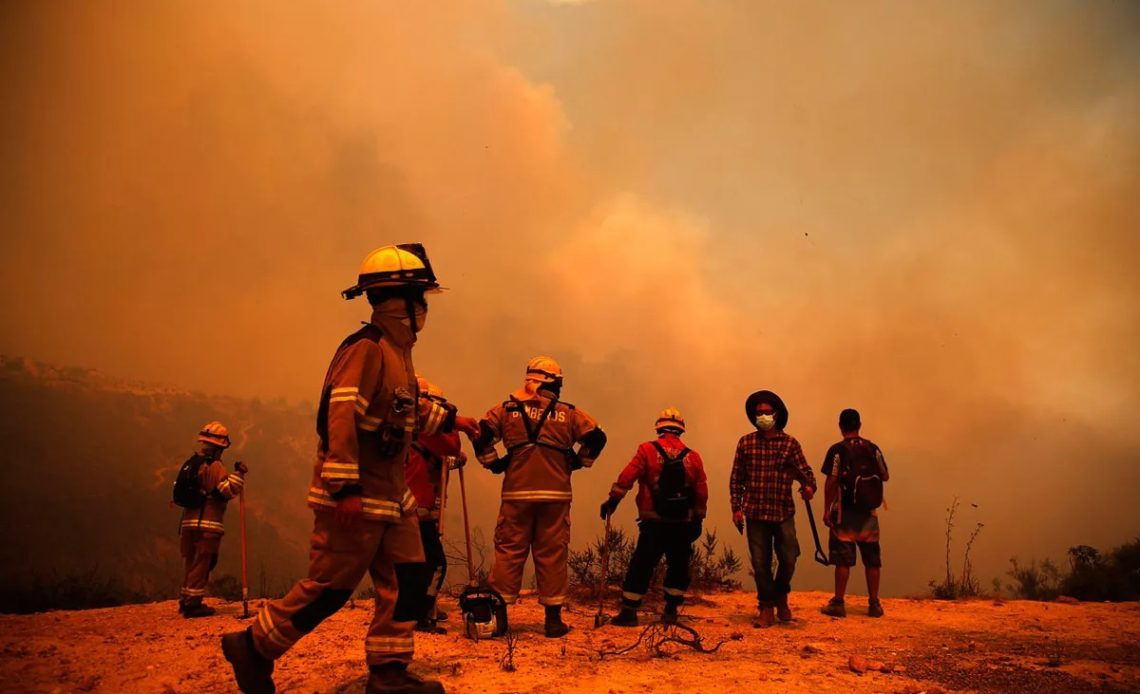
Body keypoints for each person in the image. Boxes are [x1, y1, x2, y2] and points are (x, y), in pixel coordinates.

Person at [221, 243, 479, 694]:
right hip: (358, 496)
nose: (423, 310)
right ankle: (254, 645)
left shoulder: (399, 354)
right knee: (330, 588)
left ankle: (389, 672)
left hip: (392, 496)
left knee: (410, 579)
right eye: (420, 298)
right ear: (400, 300)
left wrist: (457, 420)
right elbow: (338, 416)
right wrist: (343, 488)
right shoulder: (366, 349)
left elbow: (402, 411)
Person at [471, 355, 607, 637]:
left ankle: (499, 618)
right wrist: (579, 462)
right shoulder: (569, 413)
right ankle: (553, 620)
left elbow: (479, 434)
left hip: (516, 494)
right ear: (553, 383)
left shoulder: (506, 410)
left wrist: (494, 462)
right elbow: (597, 438)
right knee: (553, 553)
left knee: (509, 551)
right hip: (555, 496)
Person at [600, 408, 708, 627]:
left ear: (659, 427)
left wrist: (613, 500)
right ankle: (670, 611)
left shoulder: (647, 450)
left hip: (653, 521)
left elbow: (628, 476)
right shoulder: (693, 457)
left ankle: (629, 612)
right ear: (681, 430)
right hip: (682, 522)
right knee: (678, 565)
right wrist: (698, 518)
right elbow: (702, 491)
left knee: (642, 563)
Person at [729, 390, 816, 628]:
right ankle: (766, 607)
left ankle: (781, 595)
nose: (763, 416)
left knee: (789, 557)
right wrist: (736, 507)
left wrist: (808, 488)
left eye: (767, 412)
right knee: (760, 563)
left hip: (782, 511)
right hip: (755, 512)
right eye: (759, 413)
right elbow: (736, 478)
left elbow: (807, 475)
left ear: (777, 414)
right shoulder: (746, 443)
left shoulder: (790, 444)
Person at [404, 377, 466, 633]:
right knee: (435, 563)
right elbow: (451, 446)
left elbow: (437, 459)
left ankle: (413, 609)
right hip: (417, 510)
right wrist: (450, 422)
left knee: (408, 563)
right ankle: (421, 613)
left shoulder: (404, 430)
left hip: (403, 507)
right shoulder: (427, 431)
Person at [820, 408, 889, 619]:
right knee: (872, 560)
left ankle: (839, 602)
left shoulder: (837, 450)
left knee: (843, 560)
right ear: (859, 425)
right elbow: (885, 476)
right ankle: (874, 604)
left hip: (844, 511)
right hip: (869, 513)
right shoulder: (872, 448)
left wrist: (826, 509)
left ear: (840, 426)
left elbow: (831, 480)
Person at [176, 421, 246, 618]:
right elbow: (225, 491)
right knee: (203, 562)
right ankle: (193, 604)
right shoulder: (215, 467)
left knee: (191, 562)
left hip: (188, 523)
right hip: (208, 524)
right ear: (220, 447)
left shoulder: (193, 464)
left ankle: (185, 599)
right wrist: (239, 475)